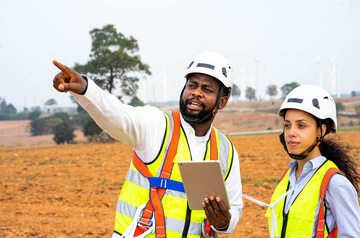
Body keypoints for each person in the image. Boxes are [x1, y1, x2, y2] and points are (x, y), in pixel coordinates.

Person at [52, 51, 243, 237]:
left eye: (207, 89)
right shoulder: (157, 124)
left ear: (222, 101)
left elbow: (234, 208)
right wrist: (86, 89)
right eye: (192, 85)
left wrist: (224, 222)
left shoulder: (227, 151)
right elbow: (117, 114)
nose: (196, 93)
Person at [266, 85, 360, 237]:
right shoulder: (286, 178)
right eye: (287, 125)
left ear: (321, 131)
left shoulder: (335, 184)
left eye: (301, 126)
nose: (291, 133)